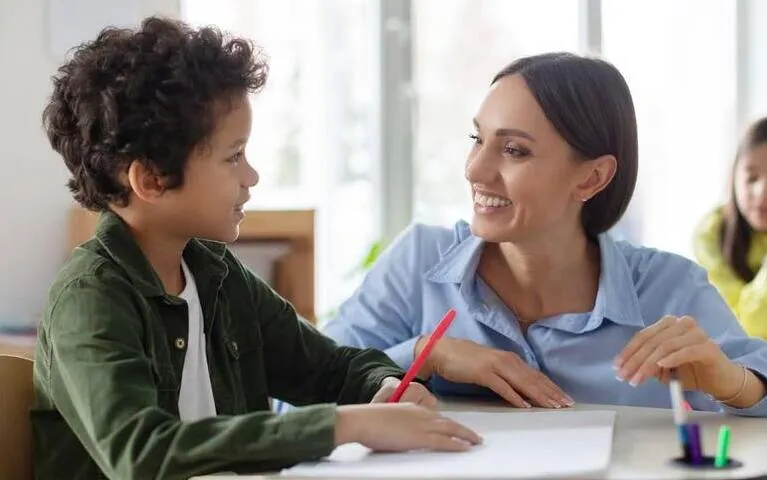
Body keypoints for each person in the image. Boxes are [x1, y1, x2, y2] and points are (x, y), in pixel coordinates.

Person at [32, 17, 480, 480]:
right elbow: (141, 453)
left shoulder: (216, 274)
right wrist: (343, 426)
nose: (252, 176)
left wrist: (383, 386)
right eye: (233, 157)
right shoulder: (90, 299)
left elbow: (328, 368)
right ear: (151, 179)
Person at [324, 53, 767, 416]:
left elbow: (753, 376)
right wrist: (425, 355)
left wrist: (734, 383)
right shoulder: (418, 263)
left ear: (592, 178)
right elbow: (298, 395)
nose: (474, 170)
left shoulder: (668, 289)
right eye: (477, 139)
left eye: (514, 150)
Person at [694, 118, 767, 341]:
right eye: (751, 178)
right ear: (734, 177)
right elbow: (739, 327)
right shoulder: (712, 234)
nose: (762, 193)